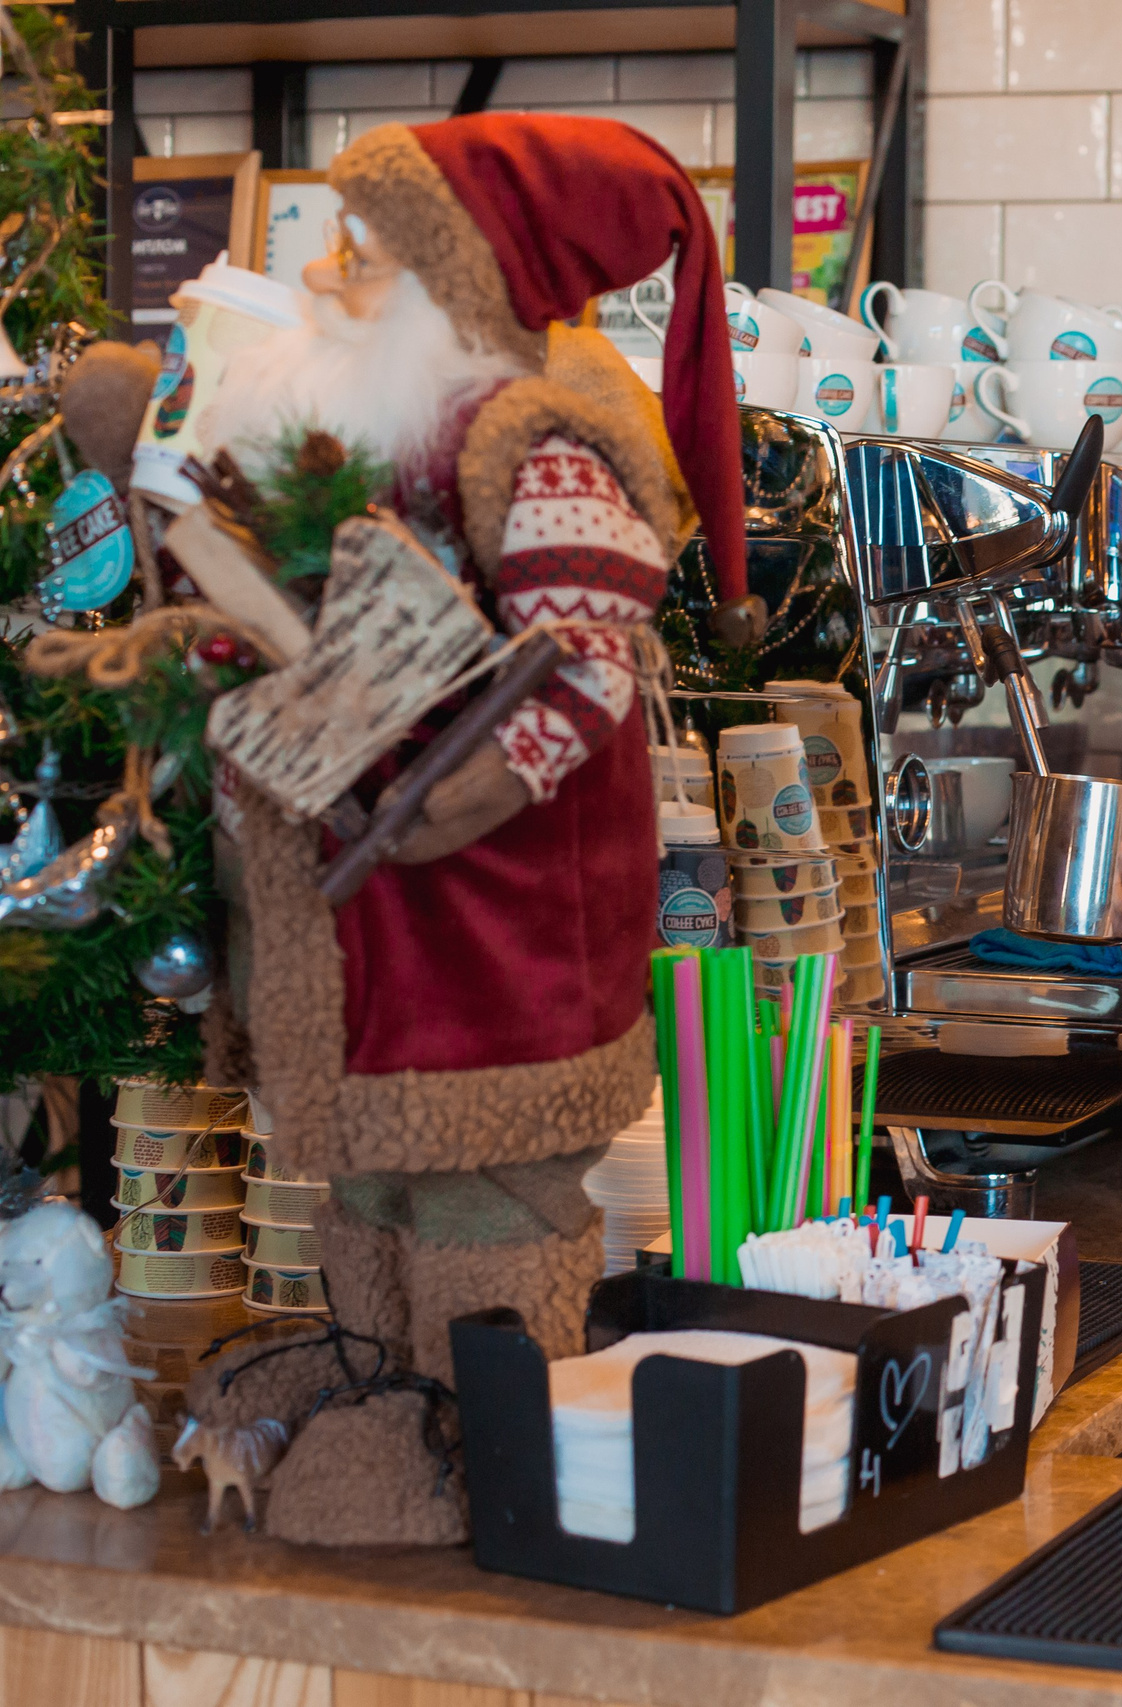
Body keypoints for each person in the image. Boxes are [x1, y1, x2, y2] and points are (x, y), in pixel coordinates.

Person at [63, 113, 757, 1543]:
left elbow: (588, 653)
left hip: (487, 940)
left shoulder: (522, 438)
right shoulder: (366, 433)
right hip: (366, 925)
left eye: (371, 253)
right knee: (371, 1179)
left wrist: (481, 783)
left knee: (484, 1196)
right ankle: (380, 1378)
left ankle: (473, 1435)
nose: (329, 274)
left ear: (462, 279)